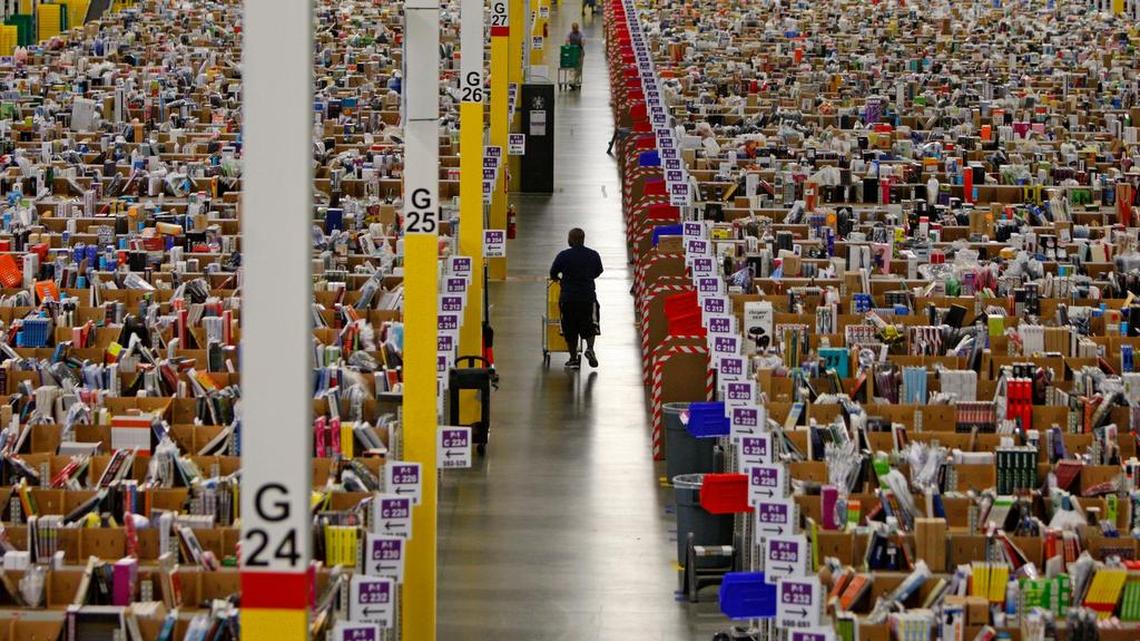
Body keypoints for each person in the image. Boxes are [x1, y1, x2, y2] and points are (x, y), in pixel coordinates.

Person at [549, 228, 603, 368]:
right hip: (587, 297)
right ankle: (590, 348)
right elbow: (599, 271)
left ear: (571, 239)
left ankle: (573, 359)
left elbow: (553, 273)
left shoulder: (563, 256)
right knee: (590, 325)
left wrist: (560, 279)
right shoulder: (593, 255)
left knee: (570, 328)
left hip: (568, 298)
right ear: (583, 239)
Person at [566, 23, 584, 89]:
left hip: (579, 52)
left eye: (575, 29)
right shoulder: (570, 34)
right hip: (574, 52)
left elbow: (583, 41)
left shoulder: (580, 34)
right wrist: (567, 45)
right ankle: (572, 81)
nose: (574, 30)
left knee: (578, 68)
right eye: (573, 29)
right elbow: (567, 40)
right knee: (574, 67)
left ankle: (575, 81)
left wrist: (582, 43)